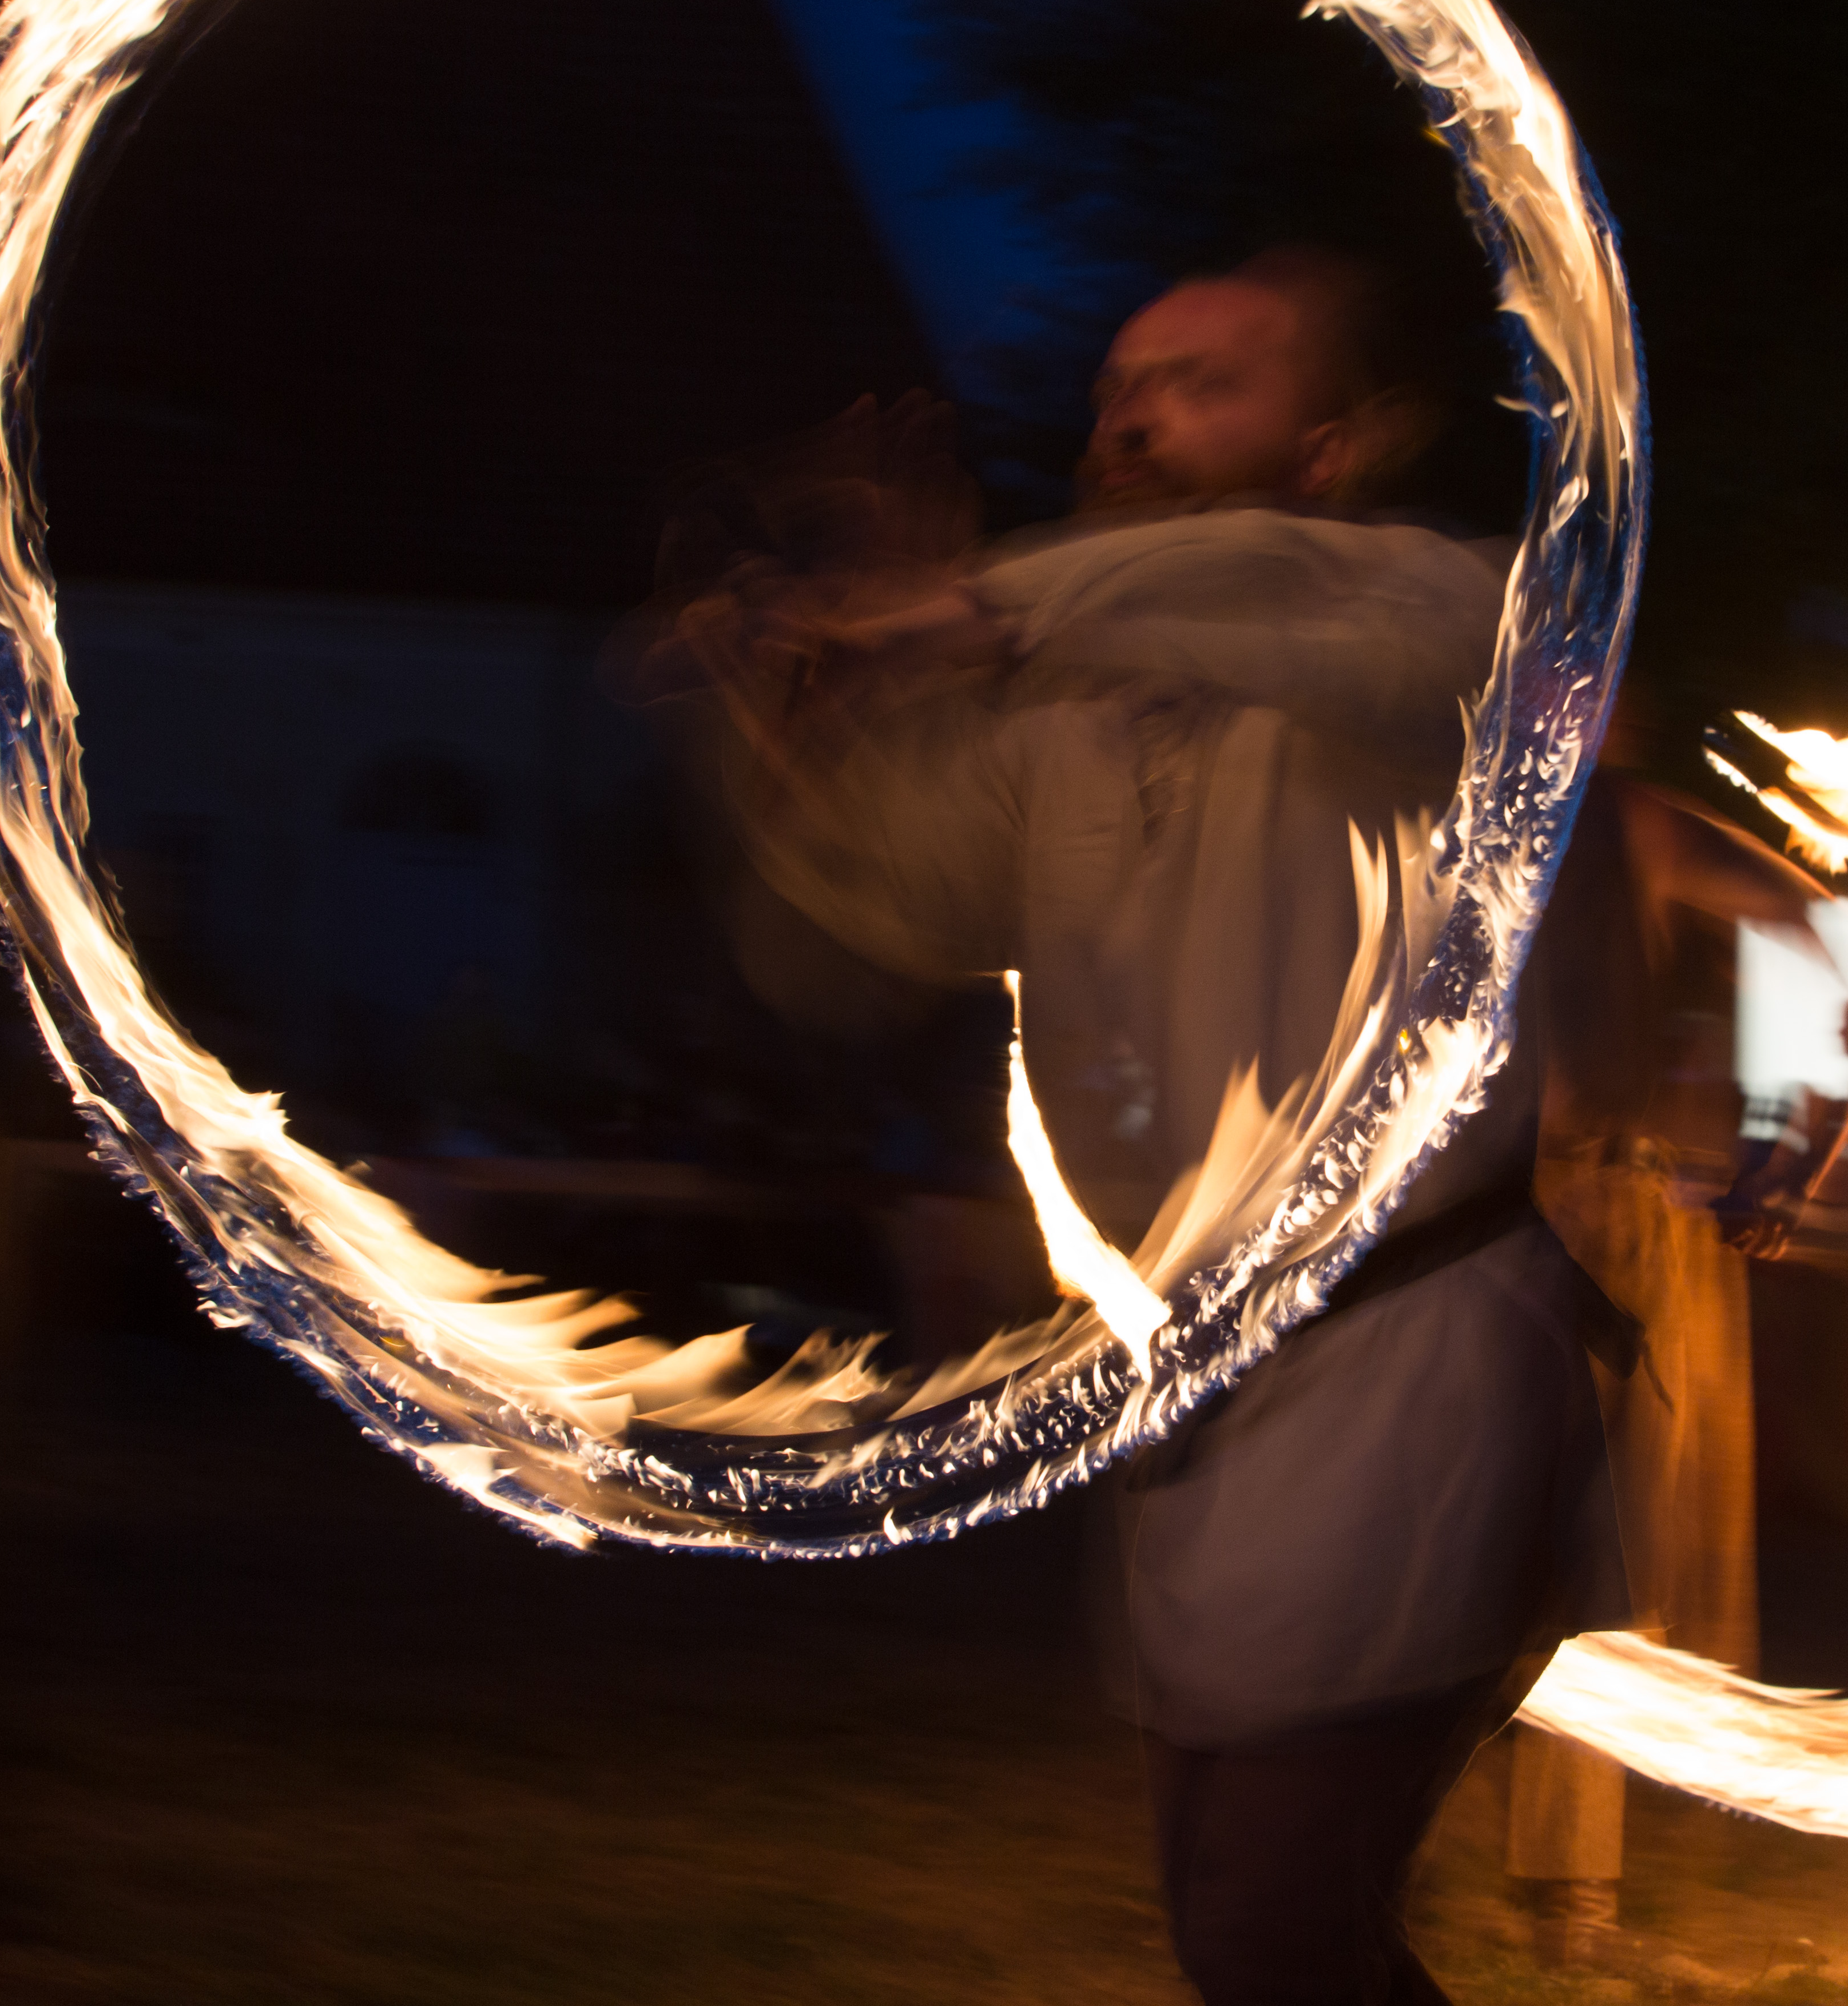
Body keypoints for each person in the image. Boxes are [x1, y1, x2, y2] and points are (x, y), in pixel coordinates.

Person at [638, 248, 1632, 2004]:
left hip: (1421, 1353)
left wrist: (973, 606)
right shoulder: (1065, 714)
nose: (1136, 419)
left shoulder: (1436, 612)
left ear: (1336, 444)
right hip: (1196, 1374)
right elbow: (873, 923)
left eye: (1201, 383)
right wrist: (784, 715)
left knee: (1271, 1923)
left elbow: (1333, 619)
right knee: (1250, 1938)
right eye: (1118, 390)